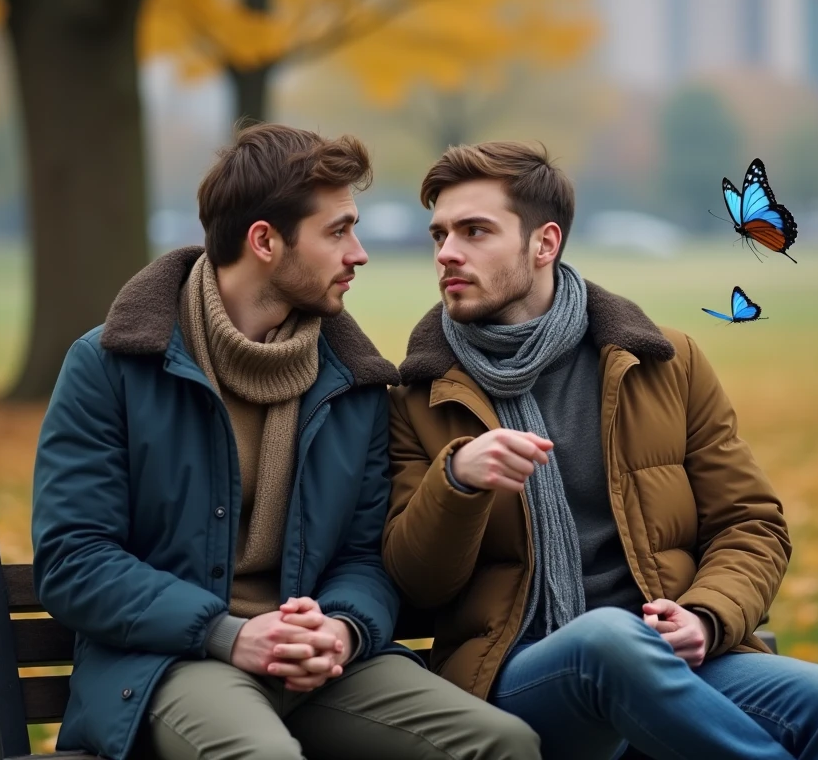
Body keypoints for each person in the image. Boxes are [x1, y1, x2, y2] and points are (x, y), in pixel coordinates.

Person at [32, 124, 539, 760]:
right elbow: (74, 559)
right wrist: (225, 632)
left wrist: (344, 630)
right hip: (168, 663)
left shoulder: (355, 382)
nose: (359, 253)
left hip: (322, 667)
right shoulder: (114, 366)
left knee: (502, 744)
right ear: (265, 241)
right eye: (337, 231)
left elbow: (364, 553)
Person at [382, 141, 818, 760]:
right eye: (440, 234)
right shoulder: (419, 395)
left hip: (669, 656)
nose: (447, 253)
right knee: (606, 640)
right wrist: (455, 483)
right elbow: (415, 584)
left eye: (474, 231)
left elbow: (751, 525)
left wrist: (705, 616)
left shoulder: (661, 364)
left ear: (544, 244)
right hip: (512, 674)